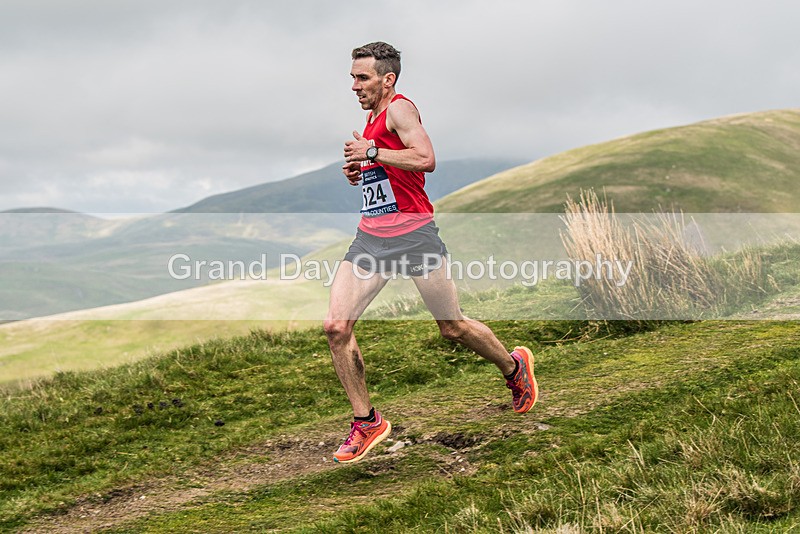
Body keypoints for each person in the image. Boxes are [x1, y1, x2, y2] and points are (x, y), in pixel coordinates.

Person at [325, 41, 538, 464]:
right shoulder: (370, 120)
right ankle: (367, 421)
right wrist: (363, 170)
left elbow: (425, 158)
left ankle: (514, 368)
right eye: (352, 77)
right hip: (372, 239)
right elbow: (389, 168)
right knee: (336, 326)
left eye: (362, 77)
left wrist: (371, 153)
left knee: (452, 327)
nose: (353, 85)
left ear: (388, 80)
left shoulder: (401, 109)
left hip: (415, 236)